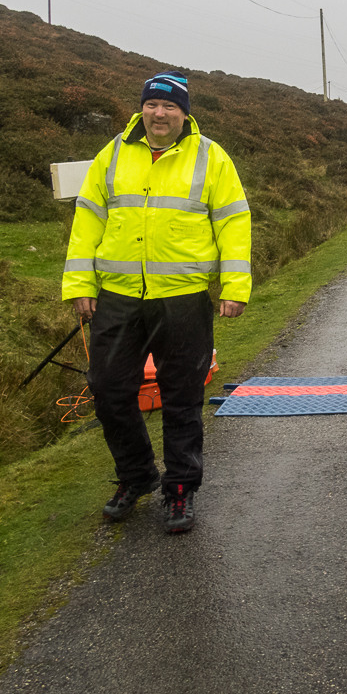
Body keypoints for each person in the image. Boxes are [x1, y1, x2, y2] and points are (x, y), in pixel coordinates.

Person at [63, 70, 251, 533]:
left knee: (182, 399)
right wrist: (80, 285)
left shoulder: (211, 157)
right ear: (141, 108)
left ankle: (181, 490)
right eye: (152, 105)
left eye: (169, 106)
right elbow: (87, 219)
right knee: (108, 391)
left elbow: (233, 221)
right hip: (119, 297)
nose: (159, 113)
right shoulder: (112, 154)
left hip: (183, 300)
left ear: (184, 113)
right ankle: (137, 476)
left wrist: (234, 286)